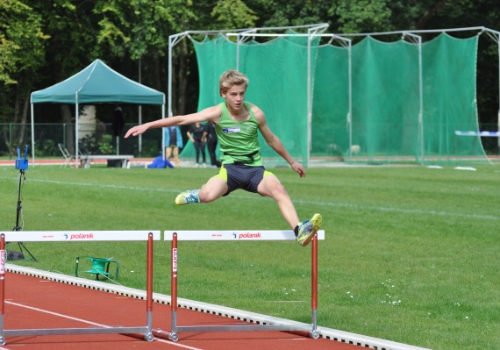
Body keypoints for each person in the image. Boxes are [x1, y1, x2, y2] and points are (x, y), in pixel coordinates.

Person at [125, 70, 322, 247]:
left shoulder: (256, 114)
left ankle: (299, 230)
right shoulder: (217, 113)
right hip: (230, 171)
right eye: (233, 94)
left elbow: (271, 139)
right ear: (223, 94)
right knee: (207, 196)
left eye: (241, 94)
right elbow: (182, 119)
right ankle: (196, 194)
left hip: (255, 171)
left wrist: (292, 161)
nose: (238, 99)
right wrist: (148, 125)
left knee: (279, 189)